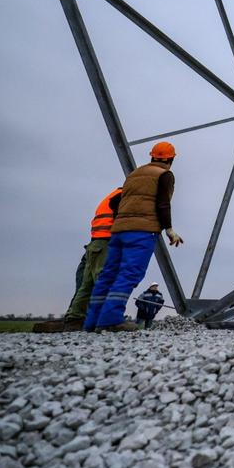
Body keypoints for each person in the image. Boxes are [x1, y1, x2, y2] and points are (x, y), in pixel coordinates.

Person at [84, 142, 184, 333]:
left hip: (118, 231)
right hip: (142, 232)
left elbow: (115, 201)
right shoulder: (165, 175)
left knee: (109, 274)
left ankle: (92, 322)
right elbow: (163, 203)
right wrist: (169, 229)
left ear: (152, 156)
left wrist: (125, 217)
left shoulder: (134, 174)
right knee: (129, 273)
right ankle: (110, 320)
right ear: (171, 159)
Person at [33, 187, 123, 333]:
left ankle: (75, 320)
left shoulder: (115, 193)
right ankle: (106, 320)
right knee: (104, 281)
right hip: (105, 243)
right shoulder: (124, 195)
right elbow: (124, 221)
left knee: (87, 285)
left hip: (96, 244)